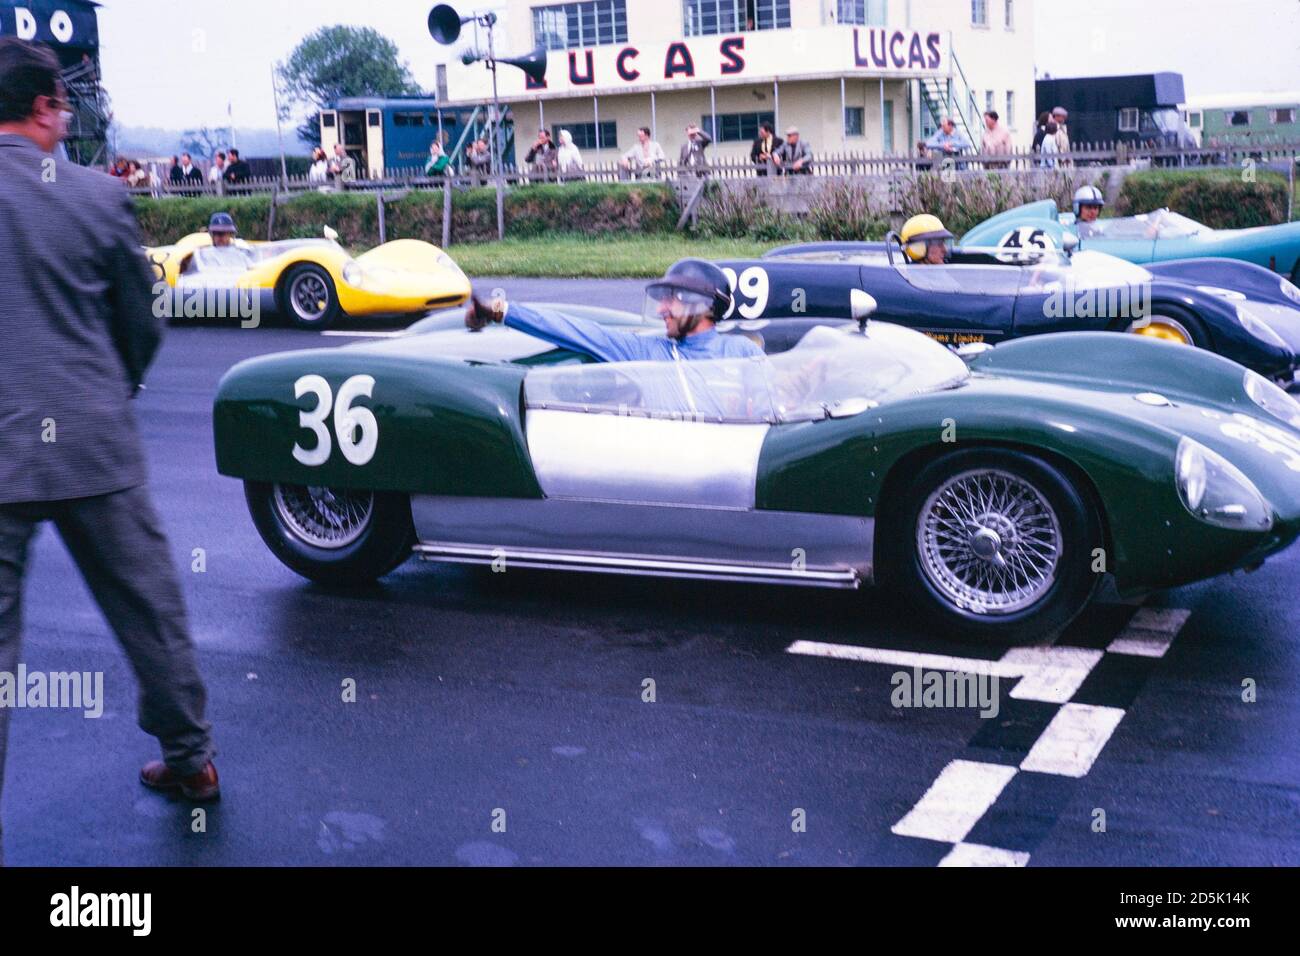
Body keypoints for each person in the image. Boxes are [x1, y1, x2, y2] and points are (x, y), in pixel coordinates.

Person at [0, 40, 220, 856]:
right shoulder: (97, 197)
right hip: (97, 446)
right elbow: (139, 326)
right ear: (48, 106)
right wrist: (104, 395)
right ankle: (192, 762)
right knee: (150, 615)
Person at [465, 259, 763, 363]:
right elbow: (578, 331)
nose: (661, 309)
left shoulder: (743, 352)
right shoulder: (649, 351)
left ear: (700, 304)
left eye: (670, 299)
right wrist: (502, 311)